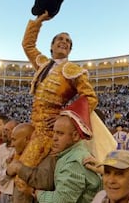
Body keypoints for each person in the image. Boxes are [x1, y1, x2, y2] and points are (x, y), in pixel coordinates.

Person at [19, 9, 98, 170]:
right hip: (34, 123)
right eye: (60, 39)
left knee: (23, 172)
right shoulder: (43, 64)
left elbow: (90, 97)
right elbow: (27, 45)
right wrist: (39, 20)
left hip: (49, 129)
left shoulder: (73, 70)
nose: (64, 42)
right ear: (52, 45)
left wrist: (65, 118)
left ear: (69, 50)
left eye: (68, 41)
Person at [32, 96, 102, 203]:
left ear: (75, 136)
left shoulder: (73, 163)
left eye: (60, 133)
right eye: (54, 132)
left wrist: (37, 193)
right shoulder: (75, 153)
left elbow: (61, 201)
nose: (54, 138)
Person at [0, 120, 19, 203]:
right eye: (4, 130)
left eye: (7, 130)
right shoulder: (1, 148)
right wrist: (7, 172)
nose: (4, 133)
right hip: (4, 195)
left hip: (19, 195)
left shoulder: (23, 148)